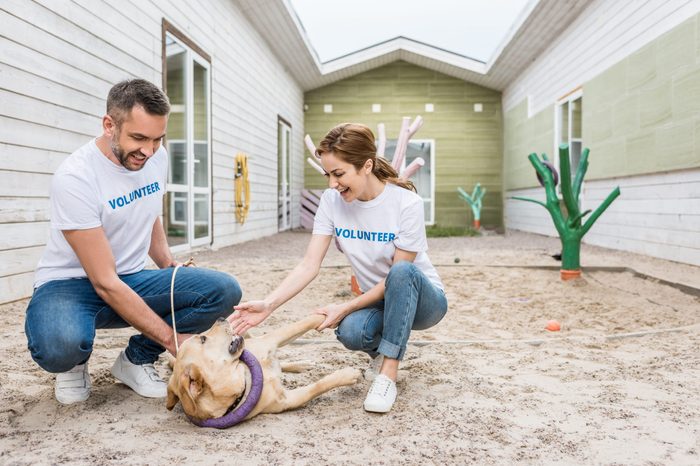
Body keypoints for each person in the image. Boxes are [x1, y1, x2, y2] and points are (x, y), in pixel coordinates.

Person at [24, 79, 242, 405]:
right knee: (60, 346)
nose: (148, 150)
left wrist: (167, 262)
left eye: (157, 139)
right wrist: (173, 340)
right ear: (109, 125)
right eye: (138, 138)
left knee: (223, 290)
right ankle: (73, 363)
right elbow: (105, 282)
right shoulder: (75, 178)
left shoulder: (156, 157)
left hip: (131, 278)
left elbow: (149, 210)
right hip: (69, 285)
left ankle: (135, 359)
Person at [229, 123, 447, 413]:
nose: (332, 183)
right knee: (350, 331)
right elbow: (309, 264)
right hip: (380, 300)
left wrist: (344, 306)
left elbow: (400, 274)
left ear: (366, 165)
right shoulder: (331, 201)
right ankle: (381, 355)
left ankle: (388, 375)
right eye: (328, 174)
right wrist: (269, 304)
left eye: (339, 174)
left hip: (424, 301)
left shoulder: (407, 203)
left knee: (401, 273)